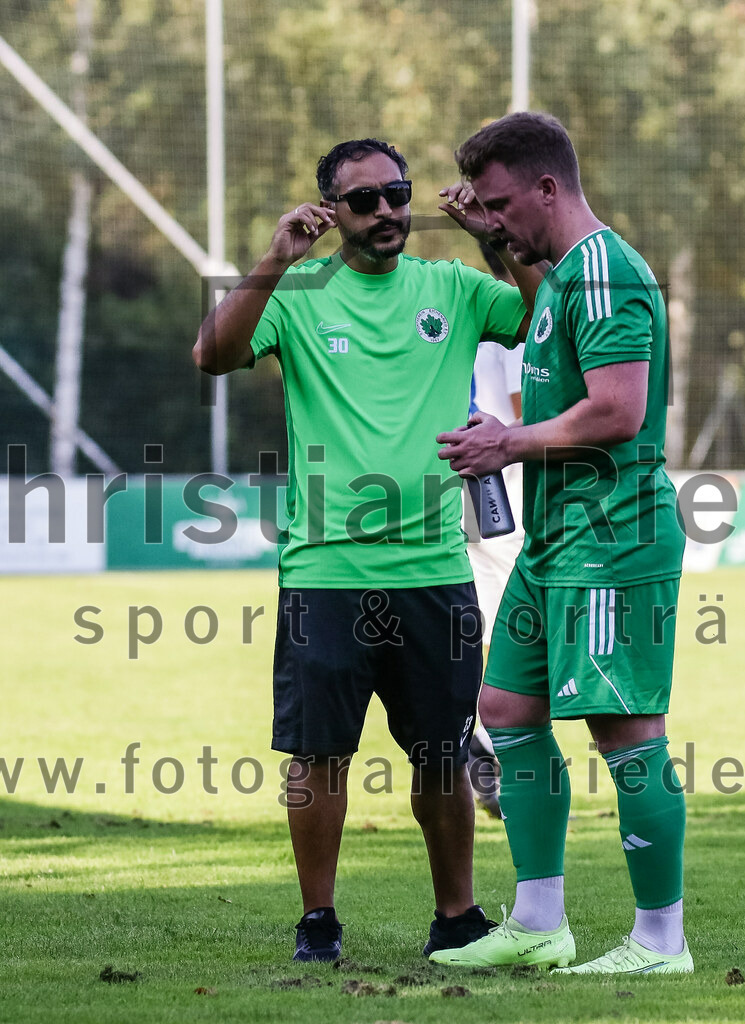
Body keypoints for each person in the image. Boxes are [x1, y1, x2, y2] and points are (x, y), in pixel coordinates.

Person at [193, 138, 544, 963]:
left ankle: (455, 917)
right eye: (364, 200)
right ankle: (318, 920)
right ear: (330, 213)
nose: (386, 210)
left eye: (397, 193)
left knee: (440, 753)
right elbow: (211, 354)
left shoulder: (453, 288)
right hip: (327, 570)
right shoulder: (298, 293)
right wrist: (275, 259)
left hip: (432, 568)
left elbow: (541, 314)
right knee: (318, 756)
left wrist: (491, 238)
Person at [429, 112, 691, 975]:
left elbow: (616, 411)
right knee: (504, 711)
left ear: (549, 187)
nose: (494, 217)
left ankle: (661, 941)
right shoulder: (565, 275)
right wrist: (493, 244)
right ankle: (540, 922)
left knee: (625, 731)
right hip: (555, 540)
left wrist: (506, 441)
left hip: (613, 538)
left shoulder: (610, 271)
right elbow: (554, 344)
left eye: (502, 204)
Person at [464, 242, 526, 819]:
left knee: (475, 617)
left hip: (466, 475)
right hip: (499, 481)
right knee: (511, 619)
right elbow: (523, 413)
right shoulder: (519, 321)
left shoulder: (469, 309)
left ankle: (473, 737)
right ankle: (487, 741)